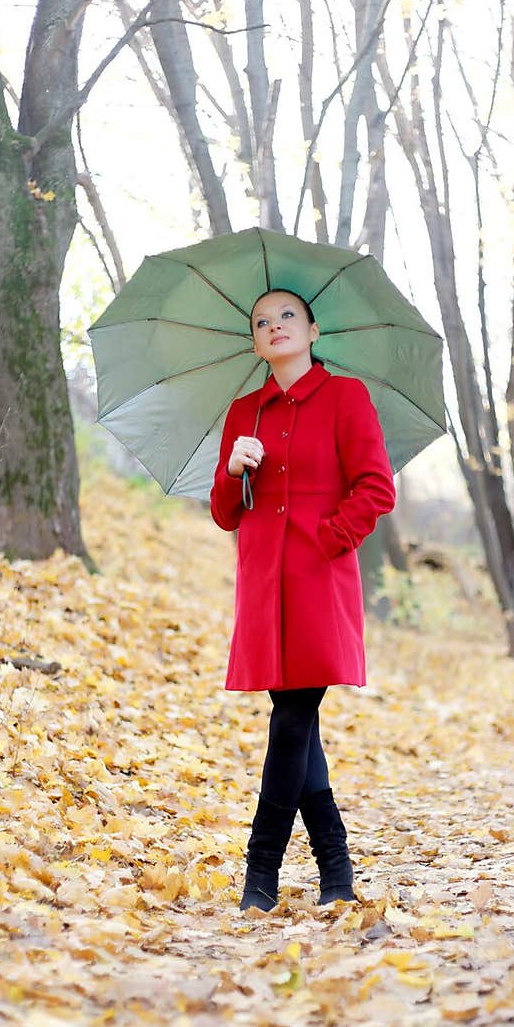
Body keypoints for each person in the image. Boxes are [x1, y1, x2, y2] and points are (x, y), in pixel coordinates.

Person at [209, 288, 396, 912]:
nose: (275, 325)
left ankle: (259, 874)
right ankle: (336, 869)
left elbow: (376, 487)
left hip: (319, 580)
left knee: (291, 720)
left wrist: (330, 539)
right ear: (256, 342)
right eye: (261, 321)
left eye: (287, 315)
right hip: (264, 585)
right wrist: (236, 468)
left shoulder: (346, 397)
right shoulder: (245, 413)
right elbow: (224, 513)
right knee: (298, 727)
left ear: (313, 329)